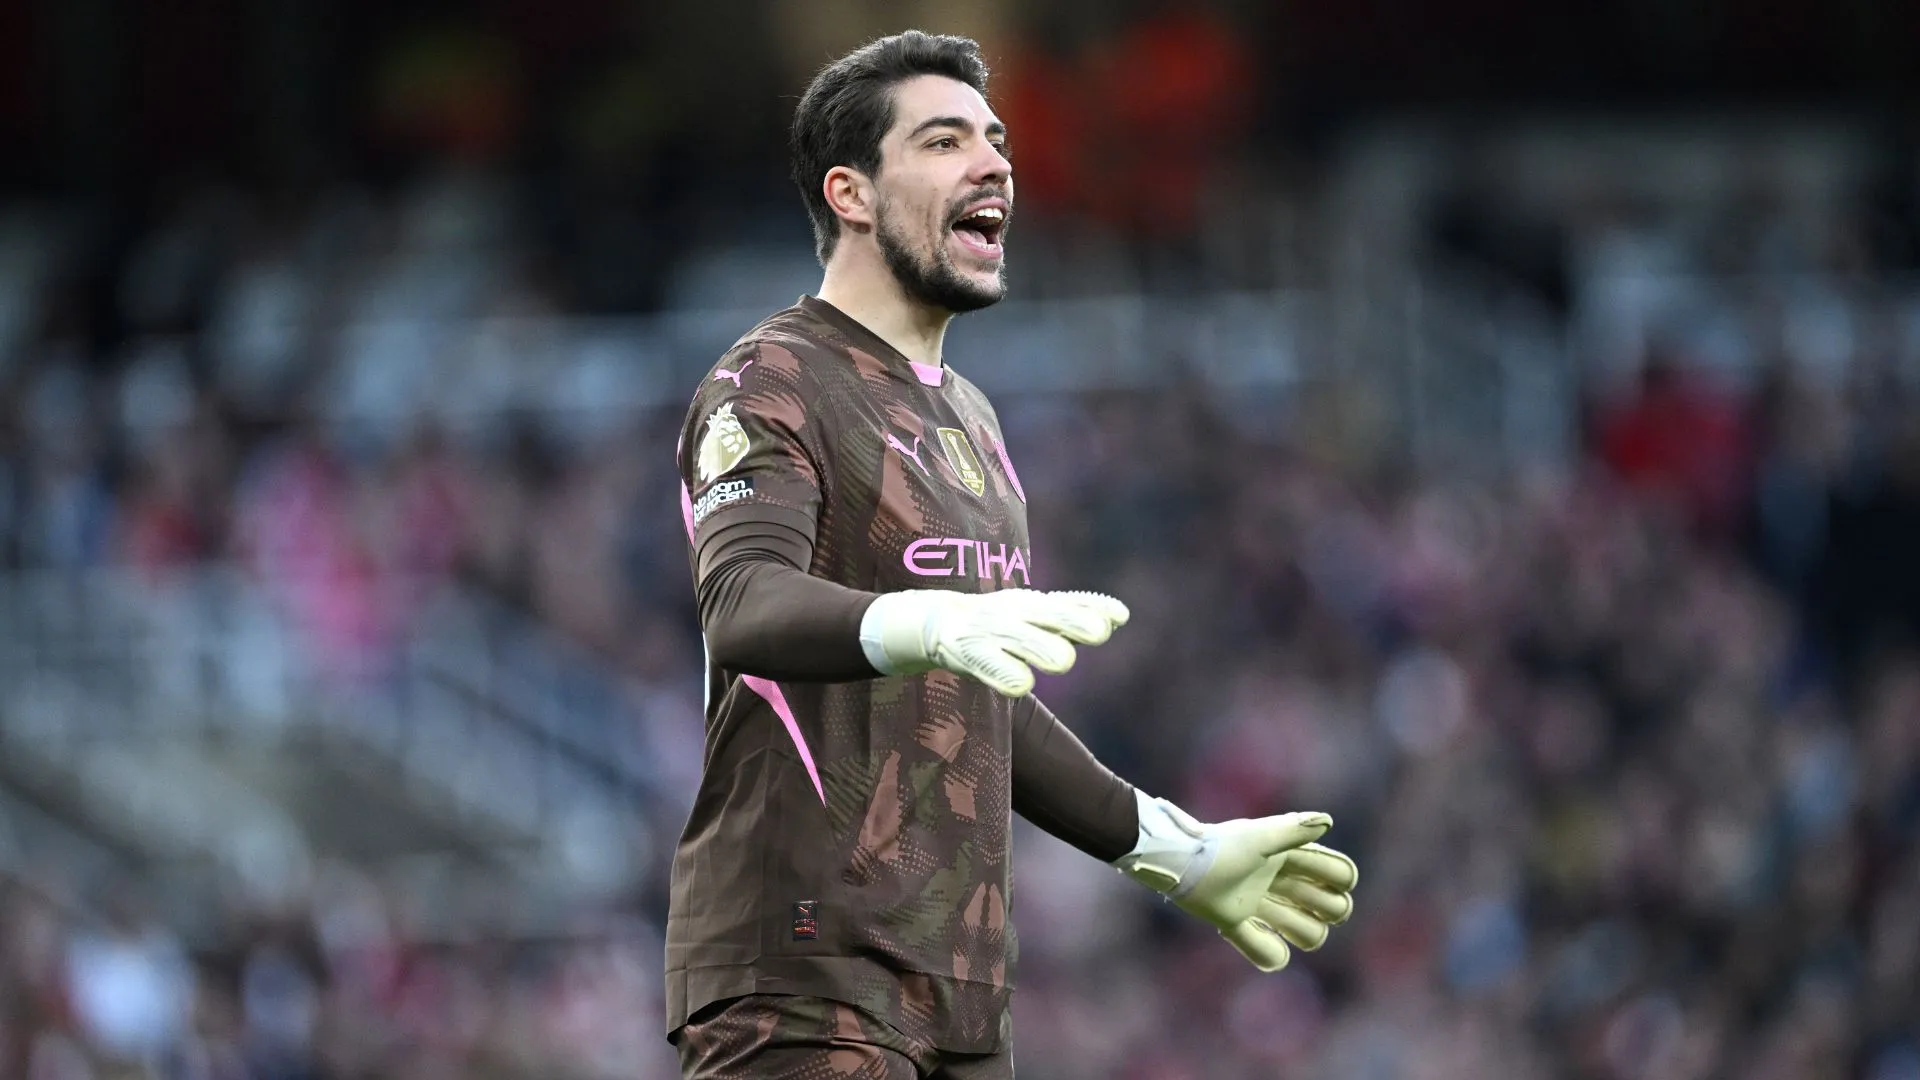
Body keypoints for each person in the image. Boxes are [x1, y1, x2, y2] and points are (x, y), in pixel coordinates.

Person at [669, 31, 1359, 1079]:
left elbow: (978, 698)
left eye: (995, 141)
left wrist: (1176, 850)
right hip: (802, 967)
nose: (994, 164)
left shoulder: (975, 423)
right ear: (852, 195)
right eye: (945, 142)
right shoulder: (770, 377)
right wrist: (930, 619)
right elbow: (743, 604)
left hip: (961, 988)